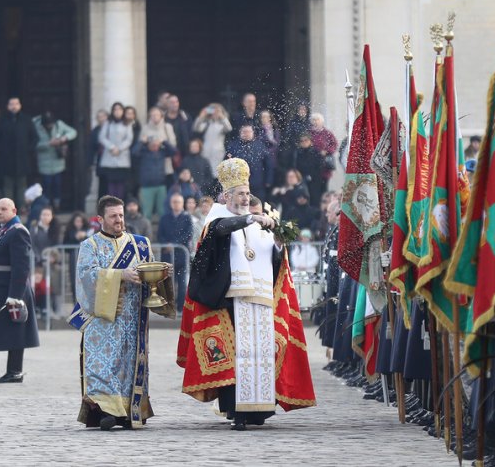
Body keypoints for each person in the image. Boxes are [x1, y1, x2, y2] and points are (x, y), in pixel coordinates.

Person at [178, 158, 316, 430]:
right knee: (236, 357)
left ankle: (260, 410)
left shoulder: (257, 224)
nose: (245, 198)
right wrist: (251, 217)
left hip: (260, 299)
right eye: (240, 194)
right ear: (227, 196)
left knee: (260, 354)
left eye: (247, 193)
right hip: (229, 300)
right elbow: (220, 231)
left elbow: (274, 259)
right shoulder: (218, 218)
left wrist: (277, 242)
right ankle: (236, 410)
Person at [72, 196, 166, 430]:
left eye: (121, 215)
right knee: (102, 366)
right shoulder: (90, 246)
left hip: (132, 319)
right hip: (102, 321)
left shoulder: (139, 244)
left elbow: (148, 272)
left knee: (128, 365)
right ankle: (105, 411)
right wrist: (119, 275)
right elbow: (86, 276)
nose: (119, 220)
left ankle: (127, 412)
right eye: (114, 216)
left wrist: (161, 274)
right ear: (100, 219)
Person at [0, 197, 39, 383]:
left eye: (3, 209)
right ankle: (13, 370)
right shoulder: (4, 231)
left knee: (16, 330)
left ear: (14, 211)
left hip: (11, 288)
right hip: (0, 287)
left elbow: (21, 266)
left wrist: (15, 295)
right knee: (12, 329)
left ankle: (15, 371)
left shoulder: (18, 232)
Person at [33, 110, 78, 210]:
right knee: (46, 185)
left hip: (58, 162)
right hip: (44, 162)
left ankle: (57, 206)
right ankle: (47, 206)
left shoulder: (59, 125)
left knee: (57, 185)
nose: (50, 126)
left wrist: (63, 139)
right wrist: (48, 144)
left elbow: (73, 132)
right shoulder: (36, 126)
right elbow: (32, 143)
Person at [0, 97, 38, 206]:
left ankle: (22, 207)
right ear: (8, 106)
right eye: (11, 104)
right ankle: (9, 209)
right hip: (7, 159)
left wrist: (27, 150)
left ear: (20, 105)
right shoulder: (3, 120)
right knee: (8, 186)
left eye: (16, 104)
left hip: (22, 159)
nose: (14, 106)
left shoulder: (26, 120)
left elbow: (34, 137)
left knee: (22, 186)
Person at [135, 106, 177, 214]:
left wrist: (164, 142)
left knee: (162, 210)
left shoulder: (167, 127)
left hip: (162, 177)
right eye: (152, 115)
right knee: (147, 211)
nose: (154, 117)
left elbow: (173, 150)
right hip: (147, 183)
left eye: (157, 114)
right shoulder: (145, 130)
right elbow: (135, 152)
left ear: (161, 116)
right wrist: (142, 142)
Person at [157, 193, 193, 311]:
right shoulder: (164, 217)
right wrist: (167, 244)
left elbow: (188, 234)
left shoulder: (187, 218)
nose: (176, 204)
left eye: (178, 202)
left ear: (182, 203)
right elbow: (160, 234)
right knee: (167, 284)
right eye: (174, 202)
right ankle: (167, 307)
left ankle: (180, 309)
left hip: (181, 256)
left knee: (182, 285)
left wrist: (174, 244)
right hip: (167, 256)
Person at [227, 124, 273, 201]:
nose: (246, 134)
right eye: (244, 132)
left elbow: (268, 165)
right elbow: (227, 164)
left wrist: (268, 180)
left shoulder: (261, 146)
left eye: (248, 132)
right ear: (240, 133)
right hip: (238, 184)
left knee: (257, 205)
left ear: (253, 133)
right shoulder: (233, 146)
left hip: (257, 183)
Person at [98, 102, 133, 199]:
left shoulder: (127, 124)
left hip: (122, 159)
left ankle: (119, 205)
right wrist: (112, 147)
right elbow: (102, 137)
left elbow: (129, 139)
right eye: (115, 109)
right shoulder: (108, 123)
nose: (117, 112)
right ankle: (111, 204)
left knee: (121, 184)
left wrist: (119, 148)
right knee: (111, 184)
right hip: (110, 157)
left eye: (119, 109)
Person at [193, 102, 232, 176]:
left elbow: (229, 128)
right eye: (212, 110)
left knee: (218, 172)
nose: (214, 113)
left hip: (218, 152)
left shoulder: (222, 123)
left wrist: (222, 116)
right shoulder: (206, 123)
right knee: (206, 172)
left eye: (216, 111)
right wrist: (201, 116)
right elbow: (197, 128)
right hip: (206, 150)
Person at [309, 113, 338, 196]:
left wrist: (327, 151)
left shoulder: (327, 133)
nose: (315, 122)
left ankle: (324, 206)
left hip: (325, 164)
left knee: (324, 188)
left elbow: (334, 144)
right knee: (313, 189)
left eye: (317, 120)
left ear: (321, 121)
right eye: (313, 120)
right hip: (313, 163)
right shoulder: (309, 132)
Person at [164, 95, 192, 164]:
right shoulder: (163, 118)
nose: (175, 104)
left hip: (184, 153)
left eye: (176, 102)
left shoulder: (185, 116)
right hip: (167, 153)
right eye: (172, 102)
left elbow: (191, 134)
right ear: (167, 104)